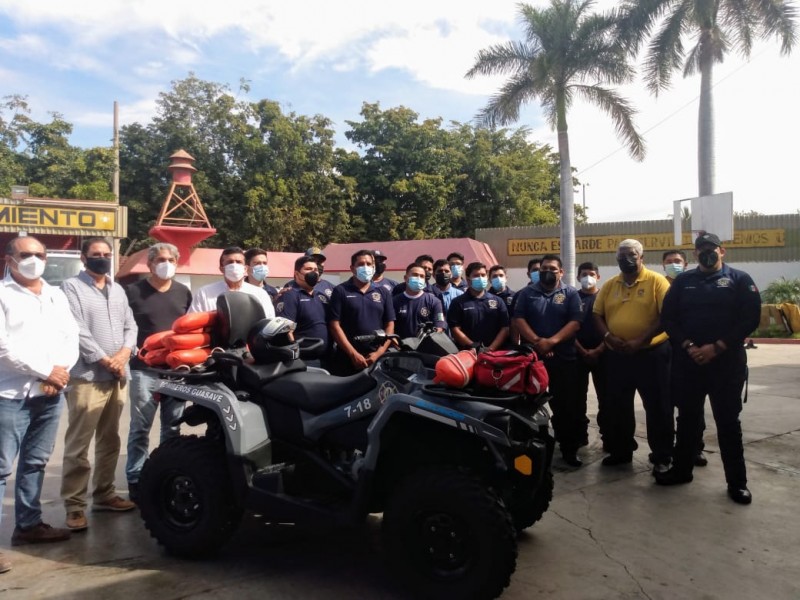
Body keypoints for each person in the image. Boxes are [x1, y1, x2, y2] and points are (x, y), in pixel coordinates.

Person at [656, 233, 761, 504]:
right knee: (688, 419)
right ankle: (682, 471)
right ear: (695, 255)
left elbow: (750, 319)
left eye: (711, 249)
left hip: (726, 365)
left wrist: (717, 347)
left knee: (728, 422)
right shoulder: (683, 283)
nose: (706, 253)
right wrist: (690, 345)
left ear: (722, 251)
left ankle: (737, 483)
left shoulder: (740, 280)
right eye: (701, 249)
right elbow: (668, 318)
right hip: (689, 363)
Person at [0, 236, 78, 571]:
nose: (34, 259)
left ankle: (29, 526)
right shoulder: (2, 296)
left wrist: (58, 373)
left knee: (35, 463)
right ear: (10, 259)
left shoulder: (55, 294)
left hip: (50, 394)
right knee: (1, 469)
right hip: (10, 395)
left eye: (40, 254)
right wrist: (45, 371)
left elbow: (70, 336)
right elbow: (3, 348)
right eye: (26, 254)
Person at [60, 237, 138, 531]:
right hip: (87, 376)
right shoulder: (71, 288)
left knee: (110, 440)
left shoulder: (118, 289)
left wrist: (124, 354)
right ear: (83, 258)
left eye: (107, 254)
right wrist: (104, 359)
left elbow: (131, 325)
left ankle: (104, 494)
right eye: (96, 254)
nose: (102, 259)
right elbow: (76, 329)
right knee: (78, 444)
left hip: (118, 375)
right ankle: (74, 505)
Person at [593, 239, 674, 472]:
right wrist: (608, 337)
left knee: (658, 406)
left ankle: (662, 456)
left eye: (630, 255)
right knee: (618, 406)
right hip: (617, 355)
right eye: (621, 256)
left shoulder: (656, 281)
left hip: (651, 354)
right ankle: (621, 451)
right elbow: (596, 314)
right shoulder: (610, 284)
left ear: (641, 257)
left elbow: (665, 316)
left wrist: (641, 340)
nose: (625, 260)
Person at [124, 243, 192, 501]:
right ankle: (135, 477)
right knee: (140, 428)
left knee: (172, 428)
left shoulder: (183, 293)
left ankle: (167, 473)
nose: (166, 264)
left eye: (171, 259)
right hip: (144, 371)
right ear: (150, 264)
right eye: (161, 259)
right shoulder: (132, 292)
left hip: (176, 371)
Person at [513, 254, 584, 466]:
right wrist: (538, 342)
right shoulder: (527, 294)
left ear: (561, 272)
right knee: (529, 406)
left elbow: (575, 322)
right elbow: (519, 319)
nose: (548, 271)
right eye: (544, 268)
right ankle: (532, 449)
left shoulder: (570, 293)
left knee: (566, 407)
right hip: (533, 359)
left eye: (553, 268)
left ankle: (569, 449)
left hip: (564, 359)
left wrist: (551, 342)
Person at [663, 249, 707, 467]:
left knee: (691, 406)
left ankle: (694, 448)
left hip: (689, 353)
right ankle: (668, 449)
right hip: (663, 353)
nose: (674, 265)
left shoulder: (695, 284)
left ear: (686, 263)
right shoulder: (658, 286)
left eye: (677, 261)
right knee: (664, 405)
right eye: (669, 262)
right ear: (663, 265)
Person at [328, 249, 396, 376]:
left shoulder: (383, 292)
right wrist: (353, 354)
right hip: (347, 359)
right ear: (352, 268)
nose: (366, 267)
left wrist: (378, 353)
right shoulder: (340, 291)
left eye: (369, 264)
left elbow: (390, 325)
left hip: (376, 359)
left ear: (374, 267)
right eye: (361, 264)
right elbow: (334, 325)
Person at [574, 262, 608, 450]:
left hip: (603, 354)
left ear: (598, 277)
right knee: (578, 398)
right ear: (578, 277)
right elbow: (569, 327)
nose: (588, 277)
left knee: (606, 398)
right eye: (584, 274)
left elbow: (613, 326)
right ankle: (580, 435)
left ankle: (608, 436)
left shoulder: (606, 297)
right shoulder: (573, 298)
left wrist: (599, 349)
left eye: (592, 274)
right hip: (578, 354)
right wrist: (582, 350)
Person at [189, 246, 275, 317]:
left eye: (238, 262)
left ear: (245, 268)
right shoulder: (205, 293)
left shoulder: (260, 294)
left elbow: (268, 324)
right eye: (230, 262)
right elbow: (192, 323)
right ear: (221, 269)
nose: (234, 265)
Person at [275, 256, 329, 364]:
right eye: (308, 269)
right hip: (305, 359)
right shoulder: (290, 295)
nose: (313, 272)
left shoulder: (322, 297)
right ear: (297, 274)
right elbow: (285, 331)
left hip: (327, 358)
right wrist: (295, 358)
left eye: (315, 270)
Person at [448, 262, 509, 351]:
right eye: (476, 275)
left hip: (494, 354)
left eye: (483, 275)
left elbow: (505, 328)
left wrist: (491, 349)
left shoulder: (498, 301)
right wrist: (473, 346)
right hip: (467, 353)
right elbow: (455, 329)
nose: (480, 278)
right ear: (468, 279)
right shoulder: (458, 302)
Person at [392, 263, 446, 339]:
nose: (418, 278)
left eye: (422, 276)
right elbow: (389, 327)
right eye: (415, 275)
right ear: (405, 278)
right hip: (401, 348)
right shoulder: (394, 301)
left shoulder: (434, 301)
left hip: (425, 348)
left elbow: (439, 326)